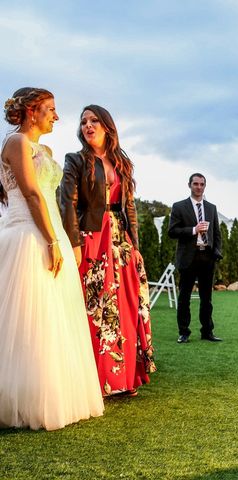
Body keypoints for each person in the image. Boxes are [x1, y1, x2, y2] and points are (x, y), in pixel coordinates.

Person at [0, 87, 103, 430]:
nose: (56, 116)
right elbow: (30, 193)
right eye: (50, 109)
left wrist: (58, 237)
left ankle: (51, 394)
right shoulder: (16, 143)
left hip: (50, 232)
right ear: (31, 111)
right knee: (26, 318)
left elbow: (48, 195)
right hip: (28, 236)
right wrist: (50, 240)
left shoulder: (44, 148)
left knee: (53, 317)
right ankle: (21, 400)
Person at [60, 105, 156, 397]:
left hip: (121, 241)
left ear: (107, 127)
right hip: (92, 239)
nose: (88, 126)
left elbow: (130, 207)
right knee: (96, 309)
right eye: (84, 122)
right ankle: (98, 382)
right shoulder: (75, 160)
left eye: (94, 121)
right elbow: (68, 204)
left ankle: (126, 379)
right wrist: (75, 243)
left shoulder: (122, 163)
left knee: (125, 308)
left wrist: (135, 246)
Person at [168, 173, 223, 344]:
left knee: (207, 299)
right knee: (184, 297)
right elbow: (172, 232)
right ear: (189, 185)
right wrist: (194, 229)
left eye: (202, 184)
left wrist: (216, 252)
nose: (199, 187)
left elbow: (217, 233)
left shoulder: (211, 208)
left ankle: (207, 331)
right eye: (195, 184)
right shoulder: (179, 207)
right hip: (188, 258)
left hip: (207, 257)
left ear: (204, 186)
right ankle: (184, 332)